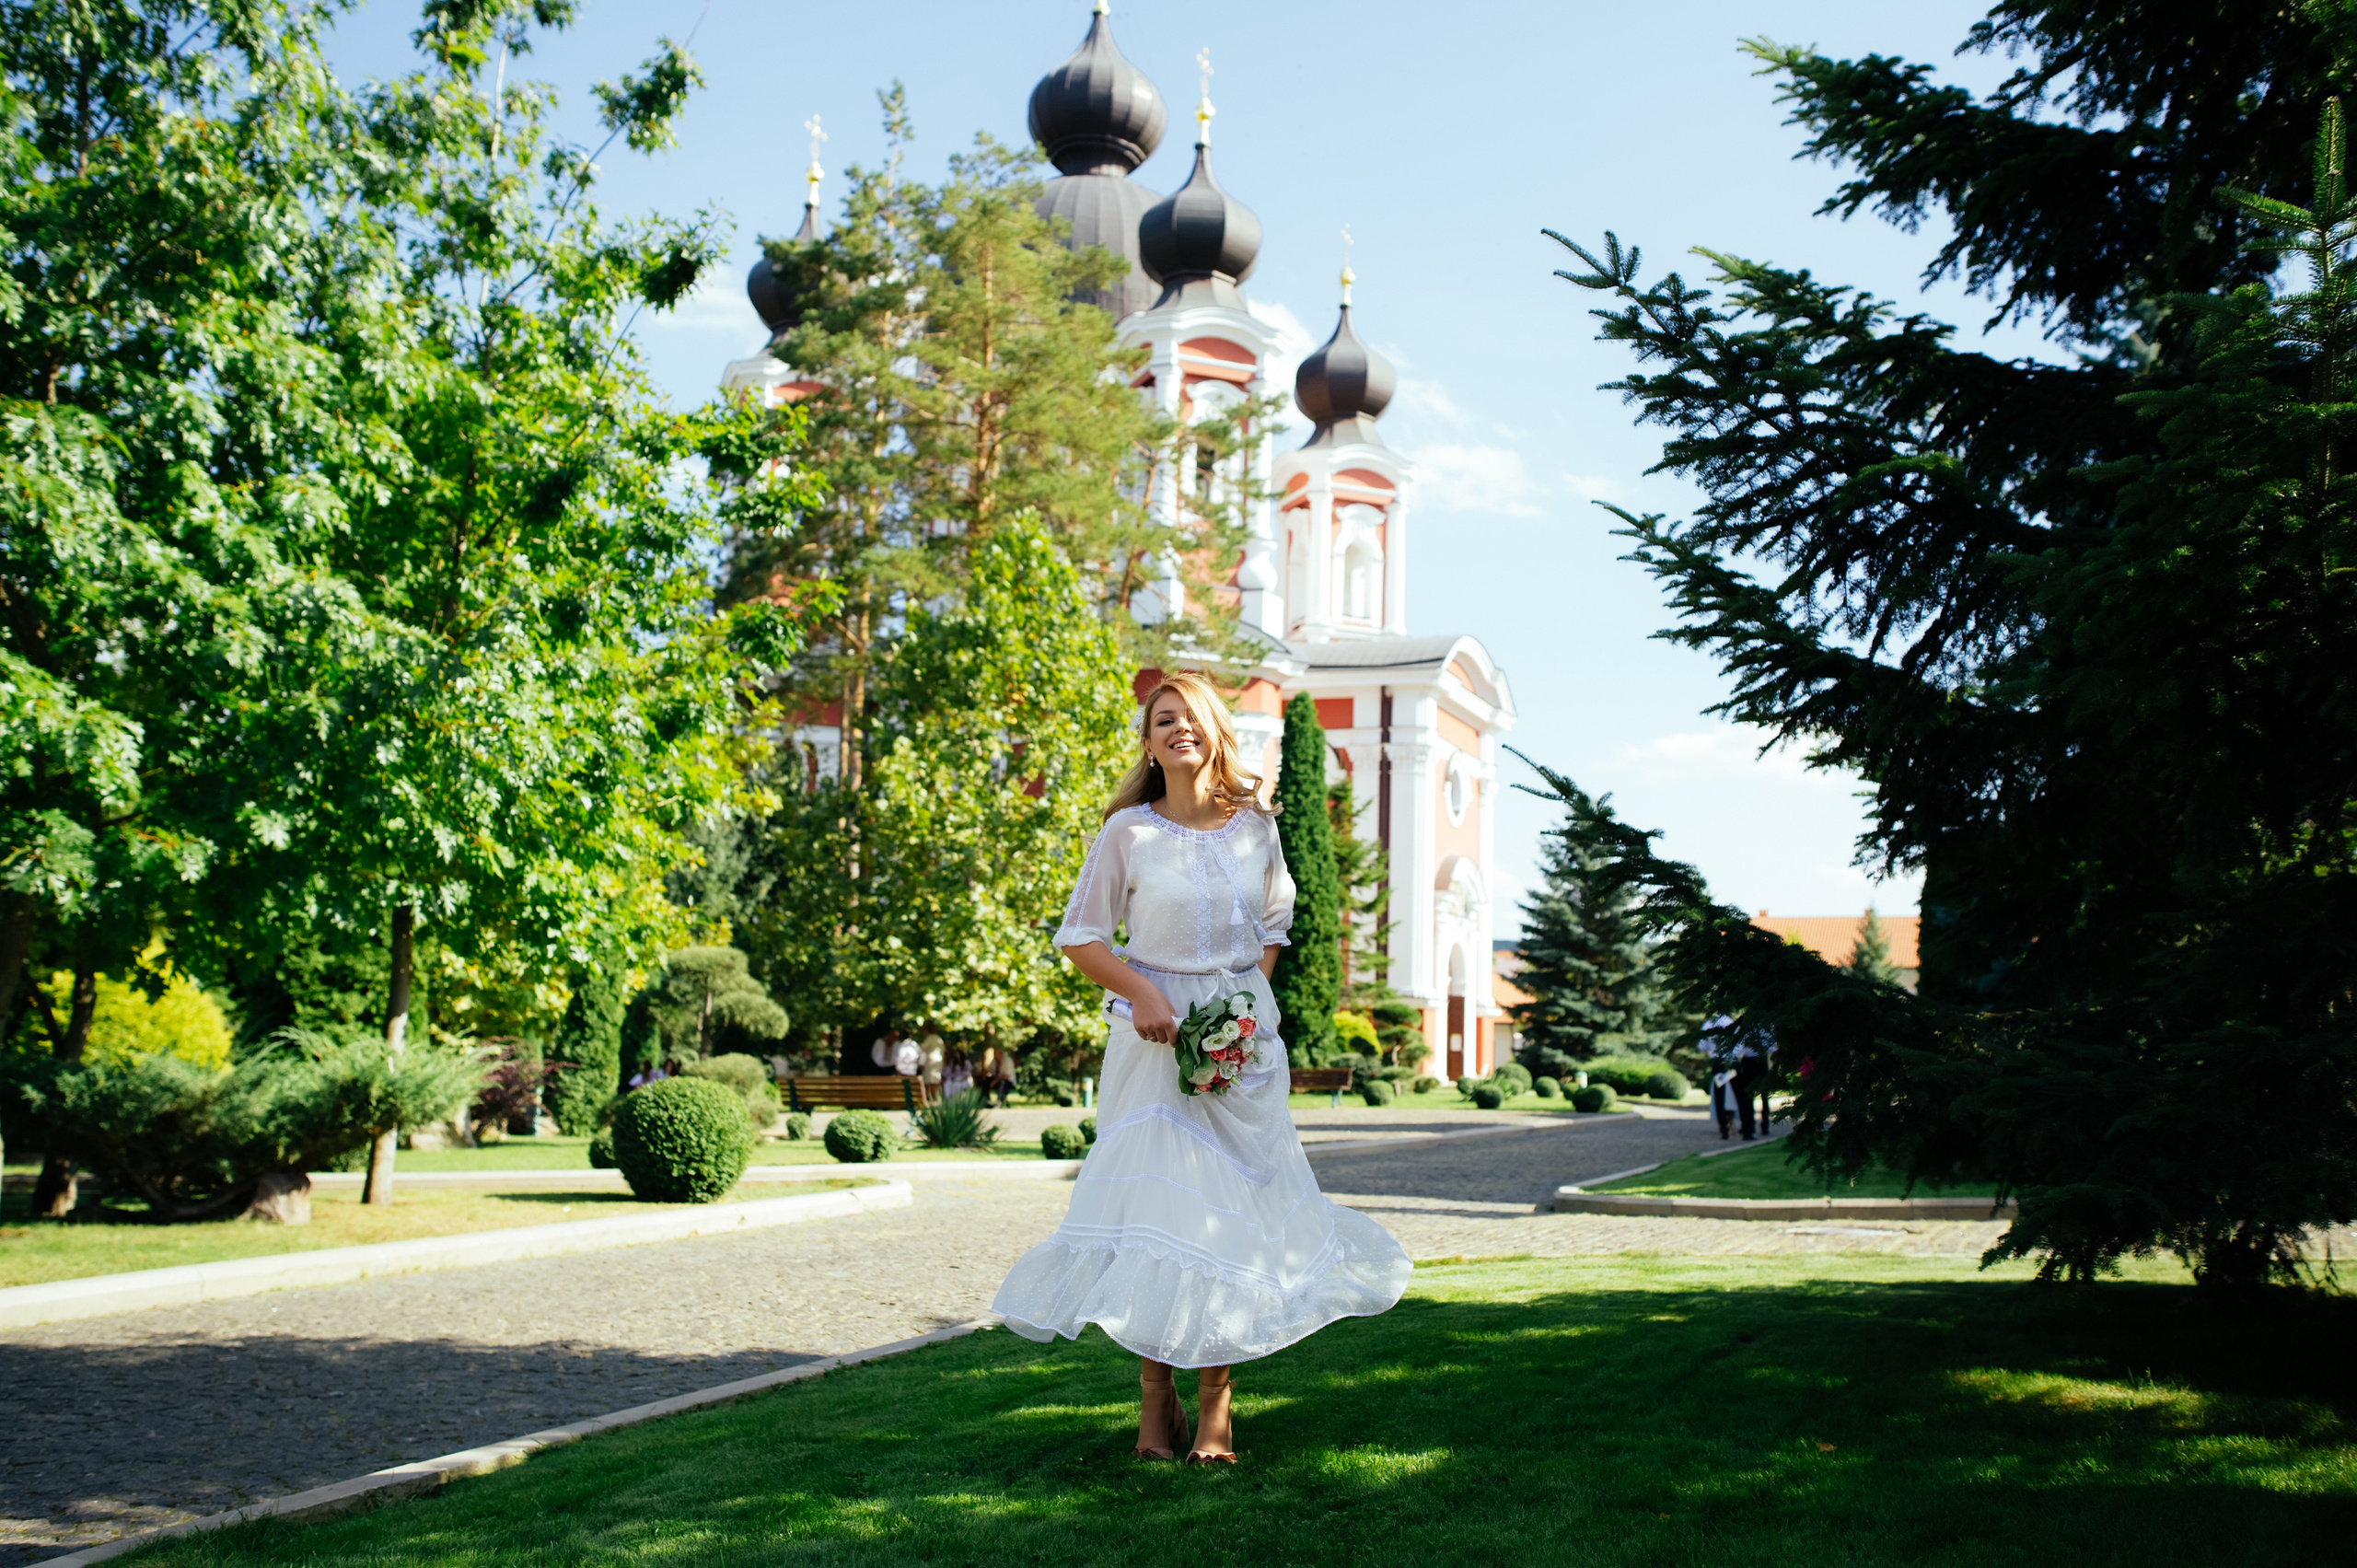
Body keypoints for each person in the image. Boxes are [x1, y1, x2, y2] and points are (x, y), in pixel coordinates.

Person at [992, 671, 1411, 1465]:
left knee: (1229, 1217)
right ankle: (1157, 1402)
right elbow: (1080, 936)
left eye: (1191, 716)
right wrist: (1144, 994)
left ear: (1216, 730)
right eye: (1163, 720)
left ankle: (1216, 1404)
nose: (1178, 727)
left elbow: (1274, 927)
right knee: (1158, 1220)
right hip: (1151, 1047)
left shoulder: (1256, 828)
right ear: (1148, 744)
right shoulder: (1127, 832)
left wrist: (1244, 1012)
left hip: (1240, 1045)